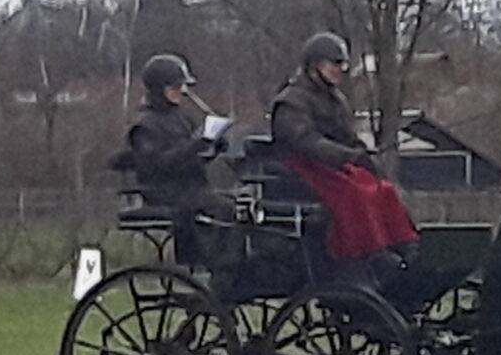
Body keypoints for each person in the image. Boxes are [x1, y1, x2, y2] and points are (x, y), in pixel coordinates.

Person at [270, 31, 419, 286]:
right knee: (354, 192)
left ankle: (404, 243)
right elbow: (305, 142)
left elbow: (347, 137)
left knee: (382, 188)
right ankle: (366, 253)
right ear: (314, 66)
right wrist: (347, 156)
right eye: (334, 64)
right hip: (301, 168)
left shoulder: (336, 100)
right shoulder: (290, 102)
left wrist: (364, 155)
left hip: (331, 164)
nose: (340, 69)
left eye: (342, 64)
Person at [121, 53, 237, 272]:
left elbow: (190, 160)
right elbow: (160, 164)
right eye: (174, 87)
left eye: (181, 87)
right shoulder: (143, 126)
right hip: (164, 192)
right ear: (158, 90)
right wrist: (198, 144)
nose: (180, 92)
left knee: (238, 204)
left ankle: (230, 264)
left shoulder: (181, 118)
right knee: (223, 208)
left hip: (191, 188)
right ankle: (220, 266)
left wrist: (214, 147)